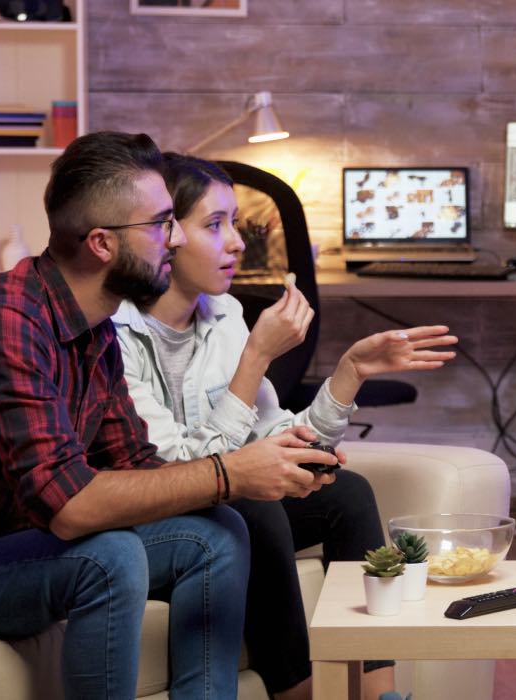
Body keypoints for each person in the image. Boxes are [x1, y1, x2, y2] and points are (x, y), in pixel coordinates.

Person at [0, 132, 334, 699]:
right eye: (162, 223)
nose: (175, 238)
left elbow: (139, 466)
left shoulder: (96, 332)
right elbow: (69, 508)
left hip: (20, 547)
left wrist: (268, 469)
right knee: (107, 556)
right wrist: (232, 473)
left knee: (217, 532)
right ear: (101, 244)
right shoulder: (2, 320)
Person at [112, 153, 457, 700]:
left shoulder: (222, 314)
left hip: (228, 494)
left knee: (348, 493)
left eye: (235, 223)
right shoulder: (116, 333)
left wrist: (350, 374)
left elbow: (276, 442)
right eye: (215, 224)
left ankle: (379, 694)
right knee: (252, 506)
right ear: (166, 235)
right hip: (162, 515)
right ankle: (299, 692)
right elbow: (180, 470)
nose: (237, 243)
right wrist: (254, 360)